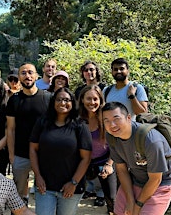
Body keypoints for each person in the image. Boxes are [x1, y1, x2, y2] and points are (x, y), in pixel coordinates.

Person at [102, 102, 171, 215]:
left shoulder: (151, 140)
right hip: (137, 177)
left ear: (128, 118)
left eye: (116, 119)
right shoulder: (112, 137)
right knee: (120, 212)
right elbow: (122, 170)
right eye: (106, 121)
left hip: (163, 180)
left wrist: (138, 205)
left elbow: (155, 179)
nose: (112, 125)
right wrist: (130, 200)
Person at [30, 87, 92, 215]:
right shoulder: (42, 122)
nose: (62, 103)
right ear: (53, 102)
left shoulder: (80, 125)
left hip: (71, 187)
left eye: (66, 100)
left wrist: (74, 182)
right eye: (58, 100)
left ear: (72, 102)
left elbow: (86, 158)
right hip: (45, 186)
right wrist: (38, 176)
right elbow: (33, 149)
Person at [6, 63, 51, 204]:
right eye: (23, 73)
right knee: (17, 196)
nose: (27, 76)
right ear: (19, 77)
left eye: (30, 72)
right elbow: (10, 129)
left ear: (36, 75)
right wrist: (11, 155)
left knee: (44, 193)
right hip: (20, 154)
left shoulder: (48, 98)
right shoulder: (14, 100)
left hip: (44, 155)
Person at [78, 85, 117, 214]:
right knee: (72, 192)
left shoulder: (106, 118)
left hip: (104, 160)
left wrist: (109, 164)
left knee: (112, 197)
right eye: (88, 99)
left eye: (95, 99)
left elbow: (115, 143)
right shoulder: (77, 119)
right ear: (82, 99)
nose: (92, 102)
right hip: (83, 161)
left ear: (100, 100)